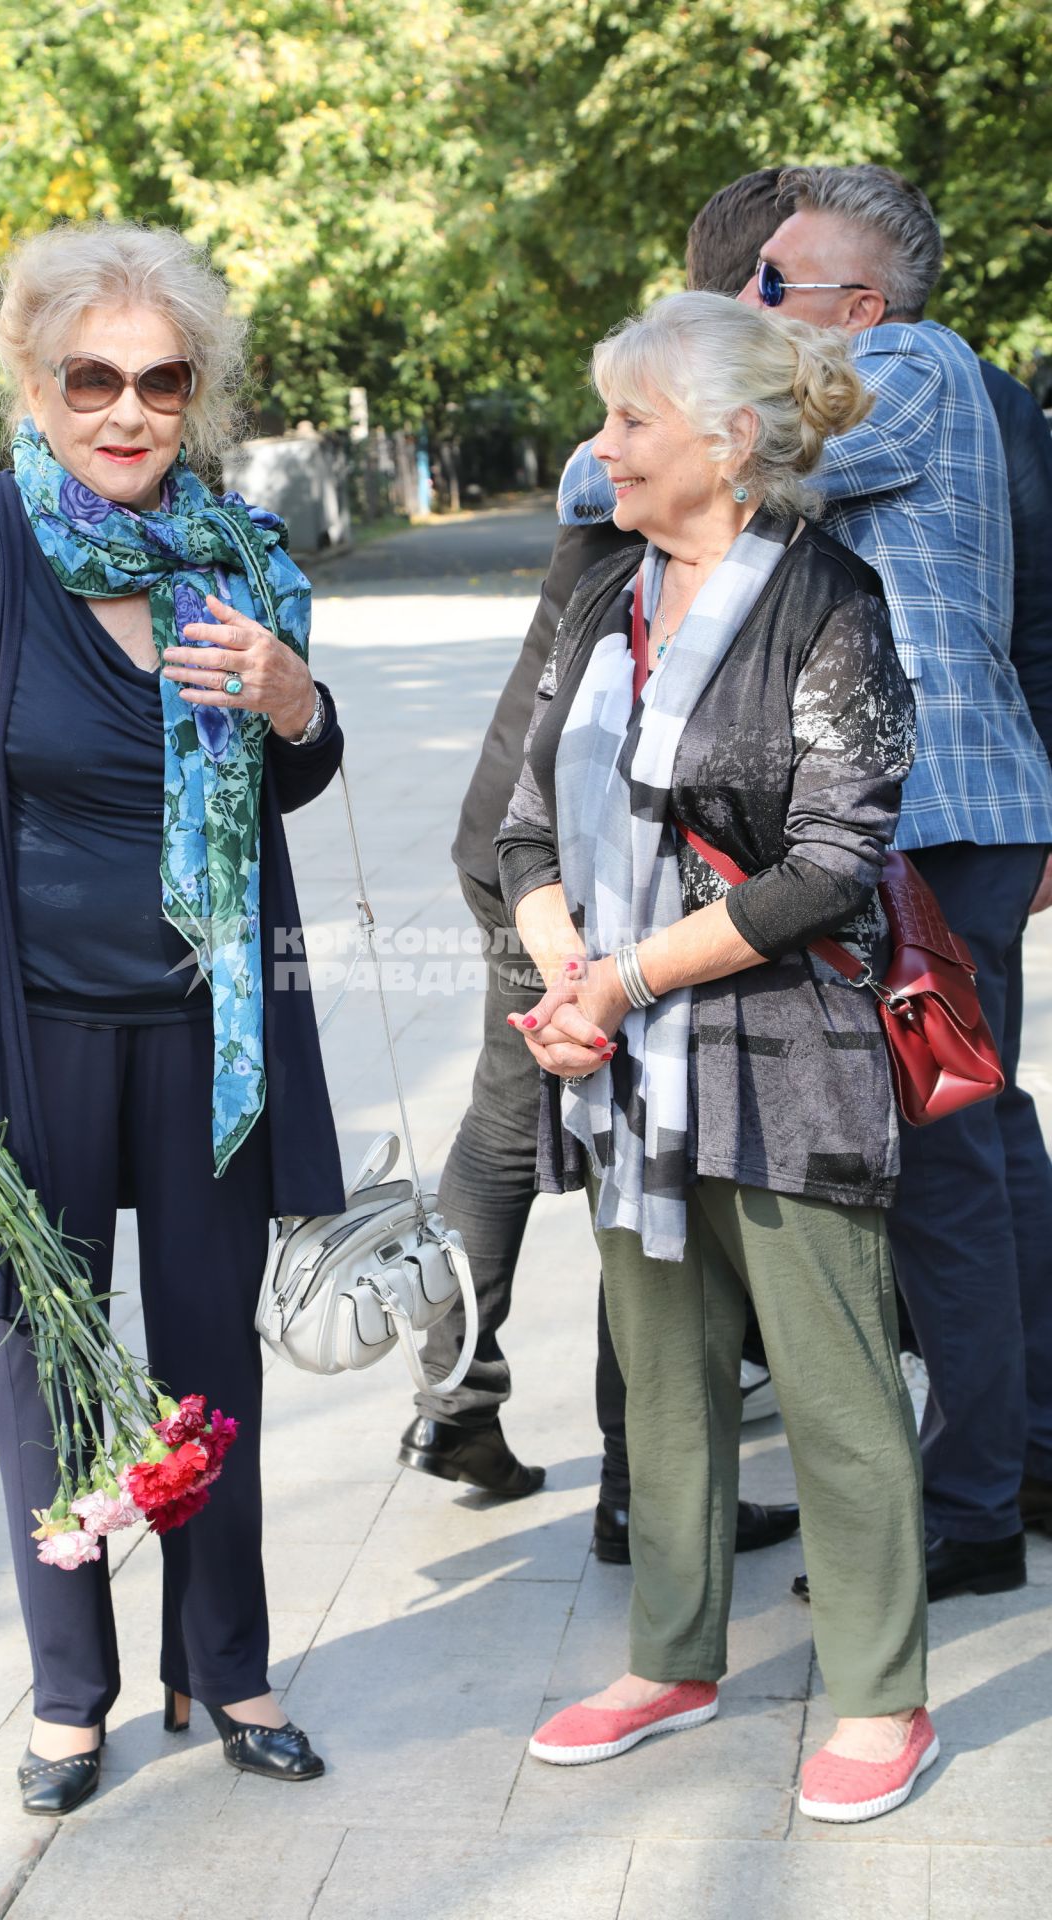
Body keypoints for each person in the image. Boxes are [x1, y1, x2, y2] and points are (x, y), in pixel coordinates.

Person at [0, 222, 346, 1815]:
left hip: (211, 1038)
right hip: (28, 1032)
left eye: (161, 380)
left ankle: (230, 1660)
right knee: (47, 1357)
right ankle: (73, 1694)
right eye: (93, 379)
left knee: (212, 1363)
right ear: (37, 382)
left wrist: (292, 698)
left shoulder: (240, 556)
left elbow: (300, 772)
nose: (128, 410)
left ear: (198, 392)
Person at [500, 292, 935, 1825]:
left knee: (831, 1385)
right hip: (619, 1056)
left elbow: (832, 864)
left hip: (782, 1045)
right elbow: (523, 822)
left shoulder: (830, 601)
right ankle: (671, 1658)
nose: (600, 447)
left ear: (729, 442)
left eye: (629, 421)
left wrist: (618, 979)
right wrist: (567, 980)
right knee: (665, 1382)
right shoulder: (604, 588)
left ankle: (882, 1691)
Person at [400, 165, 800, 1572]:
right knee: (635, 1150)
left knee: (529, 1131)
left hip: (544, 838)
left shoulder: (678, 432)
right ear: (759, 297)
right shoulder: (663, 437)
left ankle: (467, 1396)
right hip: (566, 854)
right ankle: (637, 1483)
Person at [738, 165, 1052, 1598]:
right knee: (967, 1157)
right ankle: (1004, 1466)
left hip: (924, 822)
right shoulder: (911, 373)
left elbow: (714, 459)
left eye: (772, 286)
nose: (750, 302)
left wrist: (664, 393)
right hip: (934, 819)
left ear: (859, 307)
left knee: (937, 1170)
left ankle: (971, 1507)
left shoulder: (909, 365)